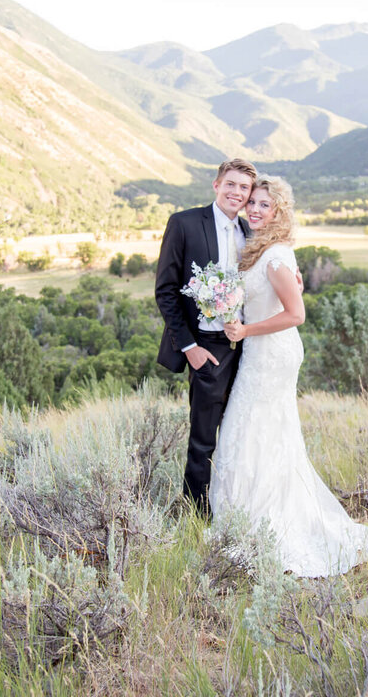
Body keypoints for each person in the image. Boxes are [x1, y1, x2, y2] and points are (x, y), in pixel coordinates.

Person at [211, 175, 368, 577]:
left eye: (263, 205)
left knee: (259, 428)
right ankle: (246, 513)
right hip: (261, 350)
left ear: (278, 213)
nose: (254, 209)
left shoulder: (275, 255)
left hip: (271, 352)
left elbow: (296, 315)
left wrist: (245, 331)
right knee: (257, 428)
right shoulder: (264, 249)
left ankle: (266, 519)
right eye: (252, 202)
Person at [155, 159, 256, 517]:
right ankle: (197, 516)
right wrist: (189, 347)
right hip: (206, 349)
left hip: (247, 349)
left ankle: (231, 506)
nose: (236, 192)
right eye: (231, 184)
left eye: (244, 188)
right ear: (216, 185)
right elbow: (166, 290)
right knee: (203, 439)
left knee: (237, 433)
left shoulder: (250, 231)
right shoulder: (184, 224)